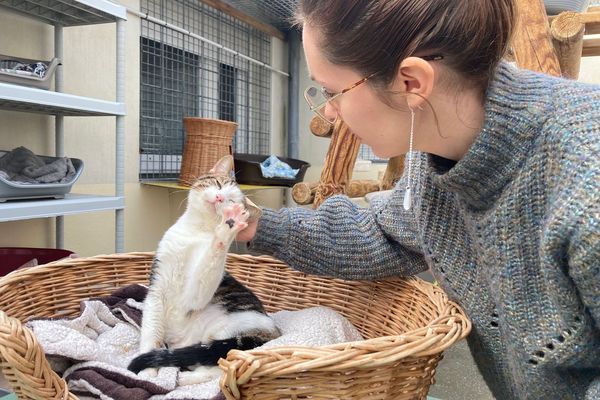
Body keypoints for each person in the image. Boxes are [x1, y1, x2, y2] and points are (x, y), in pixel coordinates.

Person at [236, 1, 600, 399]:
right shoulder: (437, 157)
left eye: (331, 91)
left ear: (411, 82)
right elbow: (382, 234)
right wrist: (259, 223)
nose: (329, 112)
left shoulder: (584, 175)